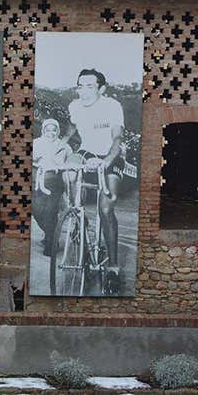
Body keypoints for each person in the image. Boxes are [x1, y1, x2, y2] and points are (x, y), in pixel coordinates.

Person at [61, 68, 125, 294]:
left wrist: (106, 161)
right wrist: (63, 142)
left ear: (101, 89)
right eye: (80, 86)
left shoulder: (112, 106)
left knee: (106, 209)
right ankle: (78, 217)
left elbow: (117, 137)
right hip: (86, 153)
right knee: (68, 170)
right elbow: (72, 125)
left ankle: (113, 268)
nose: (84, 91)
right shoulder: (75, 106)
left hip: (110, 155)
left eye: (90, 86)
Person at [32, 119, 70, 255]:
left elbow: (70, 163)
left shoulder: (64, 146)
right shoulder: (36, 143)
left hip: (55, 181)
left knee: (50, 212)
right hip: (37, 179)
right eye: (48, 130)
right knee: (36, 210)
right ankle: (51, 234)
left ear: (58, 131)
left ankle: (50, 243)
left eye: (54, 130)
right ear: (43, 130)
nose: (51, 133)